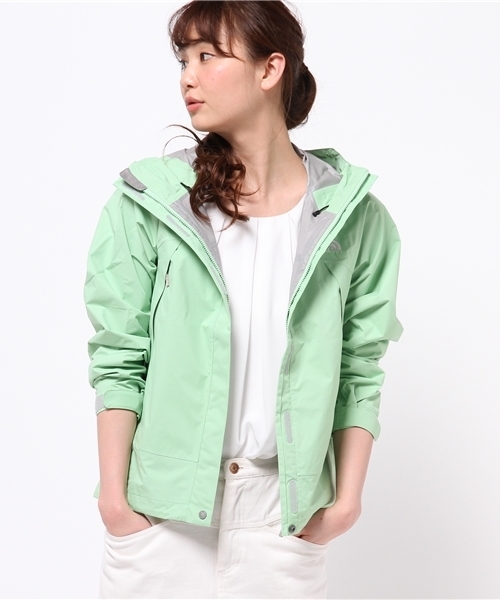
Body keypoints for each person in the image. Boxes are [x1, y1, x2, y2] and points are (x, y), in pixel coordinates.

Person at [84, 1, 403, 598]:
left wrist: (345, 504)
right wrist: (117, 504)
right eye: (183, 60)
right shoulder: (149, 203)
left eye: (208, 56)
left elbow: (359, 366)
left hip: (282, 521)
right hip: (161, 518)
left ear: (270, 69)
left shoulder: (354, 219)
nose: (188, 77)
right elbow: (119, 355)